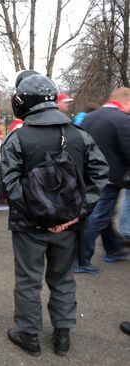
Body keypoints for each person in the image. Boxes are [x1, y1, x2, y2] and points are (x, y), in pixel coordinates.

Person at [1, 71, 108, 357]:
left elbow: (10, 185)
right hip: (67, 225)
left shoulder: (17, 138)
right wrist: (77, 215)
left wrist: (39, 214)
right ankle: (62, 335)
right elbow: (100, 176)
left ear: (25, 101)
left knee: (28, 280)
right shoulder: (80, 136)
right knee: (62, 279)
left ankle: (29, 335)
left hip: (29, 226)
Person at [79, 88, 130, 273]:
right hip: (109, 178)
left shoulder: (89, 117)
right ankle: (81, 260)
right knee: (98, 217)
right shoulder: (122, 120)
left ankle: (114, 250)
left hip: (88, 175)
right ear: (126, 102)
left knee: (102, 215)